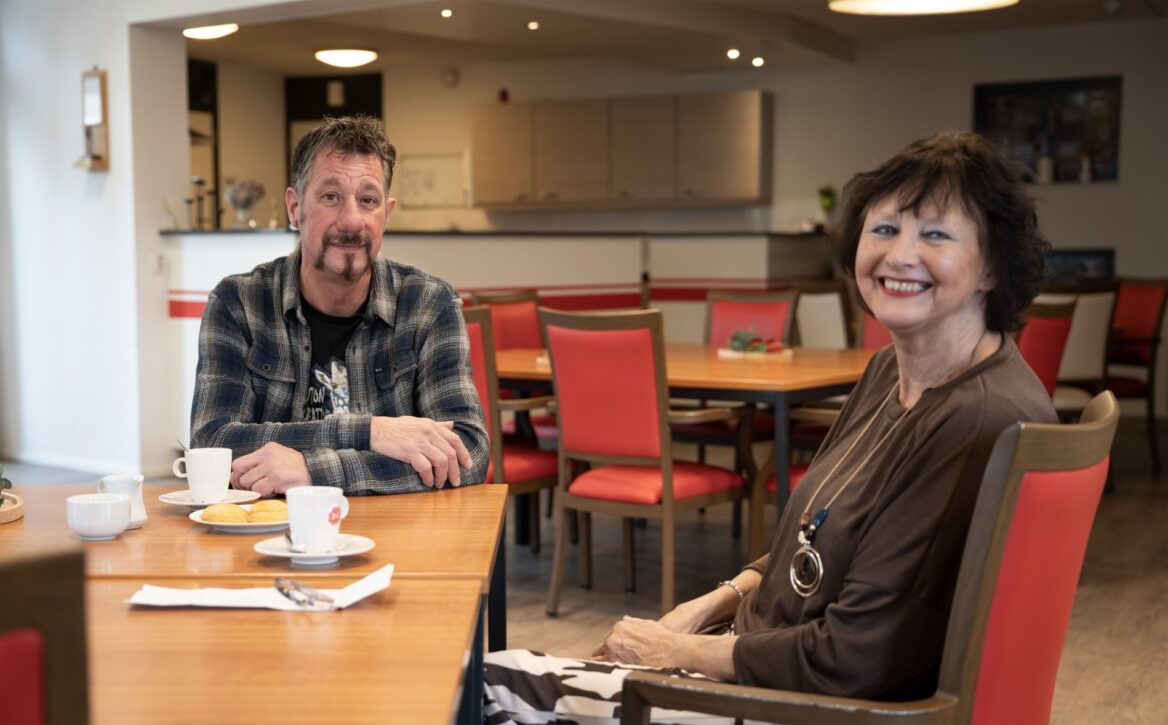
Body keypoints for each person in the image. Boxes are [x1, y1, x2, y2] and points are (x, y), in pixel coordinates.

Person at [483, 131, 1058, 721]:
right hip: (763, 664)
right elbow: (808, 543)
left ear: (993, 266)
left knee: (490, 685)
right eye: (884, 229)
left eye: (935, 234)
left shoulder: (977, 417)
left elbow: (852, 661)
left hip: (803, 705)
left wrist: (675, 650)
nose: (900, 254)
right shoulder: (892, 369)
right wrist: (706, 606)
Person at [189, 116, 488, 496]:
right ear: (295, 208)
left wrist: (314, 471)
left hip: (400, 539)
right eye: (331, 197)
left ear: (387, 215)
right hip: (269, 540)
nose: (351, 220)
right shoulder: (238, 305)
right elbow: (212, 445)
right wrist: (370, 431)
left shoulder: (430, 305)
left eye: (368, 200)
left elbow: (468, 455)